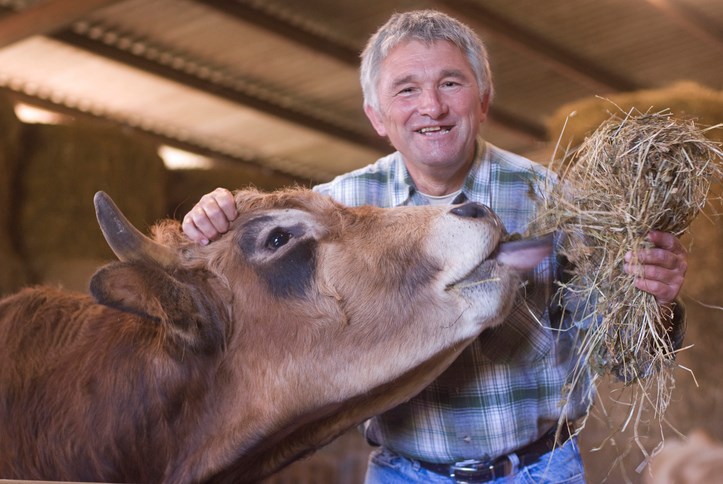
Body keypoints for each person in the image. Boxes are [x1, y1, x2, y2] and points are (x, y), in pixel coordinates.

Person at [182, 10, 688, 483]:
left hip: (538, 471)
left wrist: (656, 301)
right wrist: (210, 226)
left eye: (451, 83)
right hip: (404, 472)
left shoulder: (555, 200)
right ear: (377, 116)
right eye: (406, 89)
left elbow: (630, 360)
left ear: (484, 99)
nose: (432, 107)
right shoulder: (334, 210)